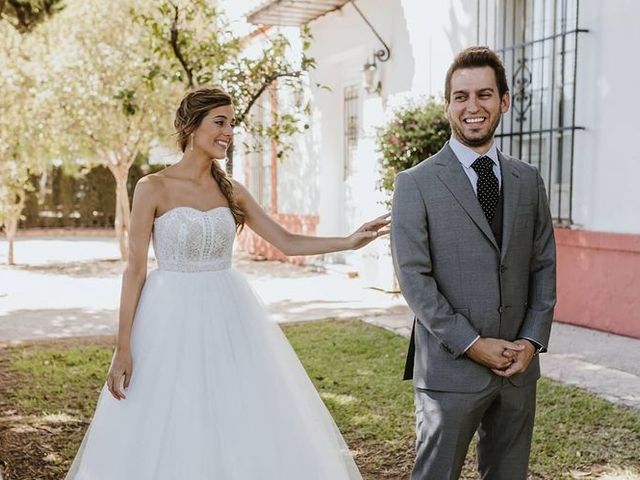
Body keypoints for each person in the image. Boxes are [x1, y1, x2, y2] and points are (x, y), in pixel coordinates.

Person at [64, 86, 390, 480]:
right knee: (170, 416)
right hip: (167, 322)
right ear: (191, 126)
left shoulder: (230, 190)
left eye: (231, 124)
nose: (229, 132)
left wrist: (350, 240)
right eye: (220, 122)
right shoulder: (152, 187)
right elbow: (135, 269)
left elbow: (285, 240)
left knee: (236, 415)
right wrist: (122, 346)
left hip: (230, 317)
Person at [391, 46, 556, 480]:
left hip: (518, 370)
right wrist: (472, 343)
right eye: (460, 96)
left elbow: (543, 265)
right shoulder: (415, 184)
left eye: (484, 94)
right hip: (450, 370)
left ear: (503, 101)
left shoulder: (528, 180)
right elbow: (414, 280)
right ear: (447, 105)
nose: (472, 107)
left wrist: (531, 341)